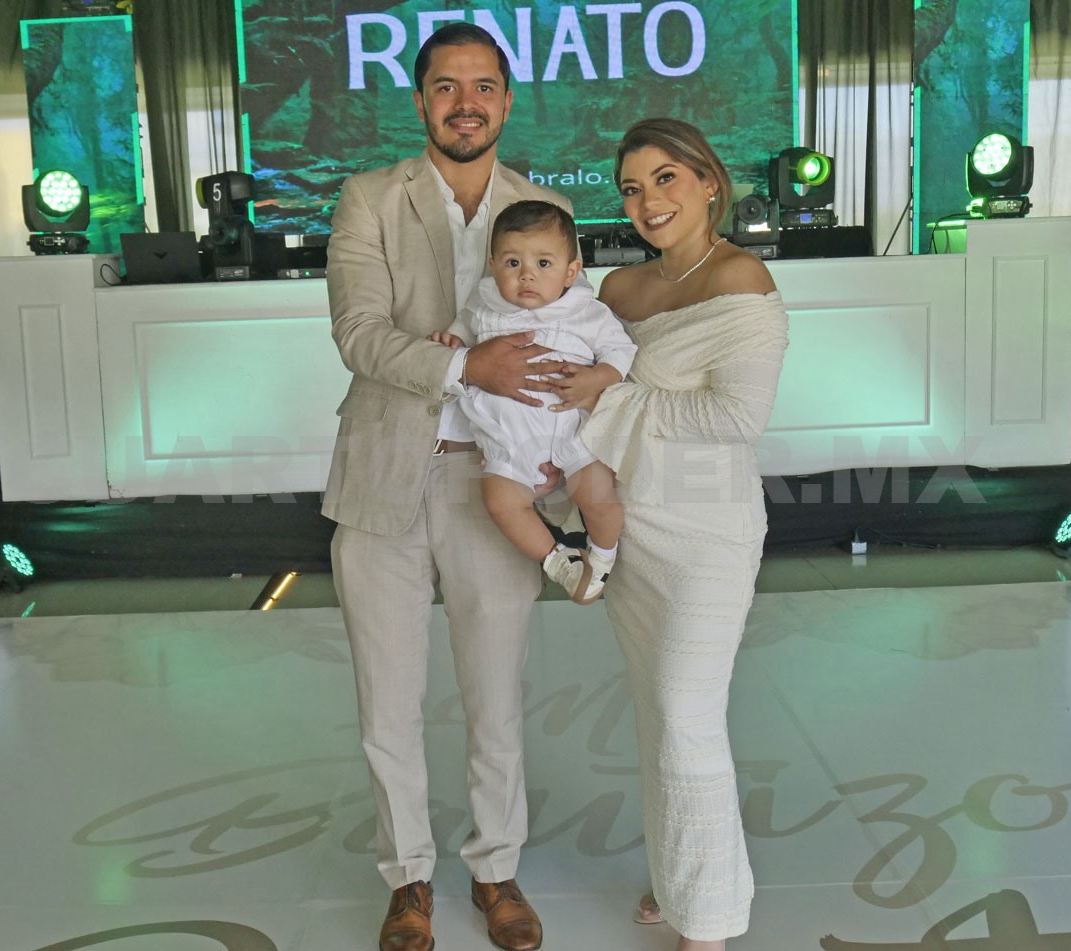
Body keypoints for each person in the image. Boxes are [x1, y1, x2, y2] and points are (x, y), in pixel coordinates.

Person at [323, 22, 569, 951]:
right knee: (386, 704)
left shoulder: (543, 206)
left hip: (496, 484)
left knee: (495, 697)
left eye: (483, 86)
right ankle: (408, 879)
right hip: (383, 474)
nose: (466, 104)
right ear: (421, 99)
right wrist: (469, 367)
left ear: (506, 100)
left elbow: (564, 333)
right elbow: (359, 333)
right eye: (446, 86)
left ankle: (496, 869)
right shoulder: (369, 198)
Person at [552, 117, 789, 950]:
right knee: (659, 709)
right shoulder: (619, 289)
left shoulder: (743, 277)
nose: (647, 201)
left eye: (664, 179)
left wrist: (611, 398)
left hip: (708, 532)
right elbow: (559, 363)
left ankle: (709, 922)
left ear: (708, 181)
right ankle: (679, 872)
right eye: (630, 187)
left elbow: (735, 418)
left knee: (686, 712)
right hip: (632, 525)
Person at [428, 199, 637, 605]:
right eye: (512, 263)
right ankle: (558, 560)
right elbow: (461, 338)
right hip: (509, 437)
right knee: (500, 503)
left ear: (571, 272)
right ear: (493, 267)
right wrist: (451, 342)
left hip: (574, 428)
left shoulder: (586, 311)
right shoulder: (482, 307)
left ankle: (601, 558)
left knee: (600, 499)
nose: (527, 275)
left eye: (543, 263)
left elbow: (620, 352)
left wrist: (595, 377)